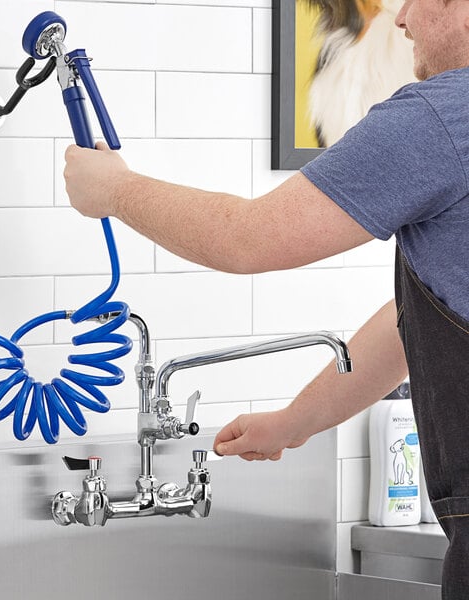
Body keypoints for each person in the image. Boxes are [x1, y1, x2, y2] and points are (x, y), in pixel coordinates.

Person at [64, 0, 469, 596]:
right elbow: (419, 319)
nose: (401, 18)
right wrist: (293, 424)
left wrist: (116, 190)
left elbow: (247, 239)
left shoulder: (441, 119)